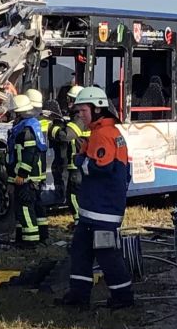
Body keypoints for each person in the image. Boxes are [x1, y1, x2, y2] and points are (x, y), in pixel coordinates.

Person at [56, 86, 134, 310]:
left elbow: (101, 167)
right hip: (95, 209)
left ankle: (123, 297)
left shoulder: (103, 135)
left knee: (106, 253)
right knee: (81, 251)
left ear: (97, 109)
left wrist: (81, 161)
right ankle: (78, 296)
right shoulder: (104, 132)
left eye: (83, 110)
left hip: (103, 210)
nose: (80, 115)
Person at [6, 94, 47, 248]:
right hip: (31, 177)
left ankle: (30, 241)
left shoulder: (26, 130)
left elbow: (29, 154)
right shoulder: (30, 126)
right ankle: (39, 236)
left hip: (27, 178)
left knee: (25, 207)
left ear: (19, 113)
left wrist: (22, 174)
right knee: (34, 207)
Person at [50, 85, 90, 224]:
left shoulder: (80, 118)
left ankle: (80, 222)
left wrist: (53, 128)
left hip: (77, 162)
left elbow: (65, 136)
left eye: (72, 99)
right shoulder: (80, 116)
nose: (69, 102)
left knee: (73, 194)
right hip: (80, 161)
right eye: (68, 99)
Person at [25, 89, 50, 241]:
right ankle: (44, 234)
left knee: (30, 203)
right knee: (39, 203)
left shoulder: (32, 124)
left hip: (32, 169)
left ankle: (32, 238)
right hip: (40, 167)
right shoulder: (43, 120)